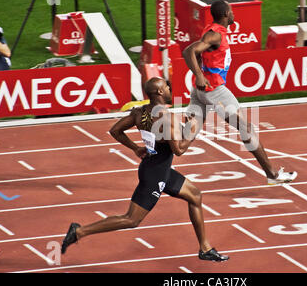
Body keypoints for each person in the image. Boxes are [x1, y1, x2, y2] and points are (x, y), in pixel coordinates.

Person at [61, 77, 228, 262]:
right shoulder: (167, 118)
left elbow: (115, 130)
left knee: (195, 195)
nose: (169, 88)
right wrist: (192, 128)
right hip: (156, 174)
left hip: (155, 168)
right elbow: (179, 150)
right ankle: (79, 231)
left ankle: (205, 248)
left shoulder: (140, 113)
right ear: (159, 92)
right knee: (131, 219)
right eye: (166, 87)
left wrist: (135, 148)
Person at [182, 0, 297, 185]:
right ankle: (272, 175)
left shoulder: (211, 30)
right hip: (215, 91)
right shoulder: (215, 34)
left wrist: (200, 76)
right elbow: (189, 51)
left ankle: (154, 148)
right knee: (246, 129)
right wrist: (199, 75)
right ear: (226, 13)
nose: (234, 14)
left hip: (201, 92)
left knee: (184, 141)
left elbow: (196, 53)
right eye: (232, 11)